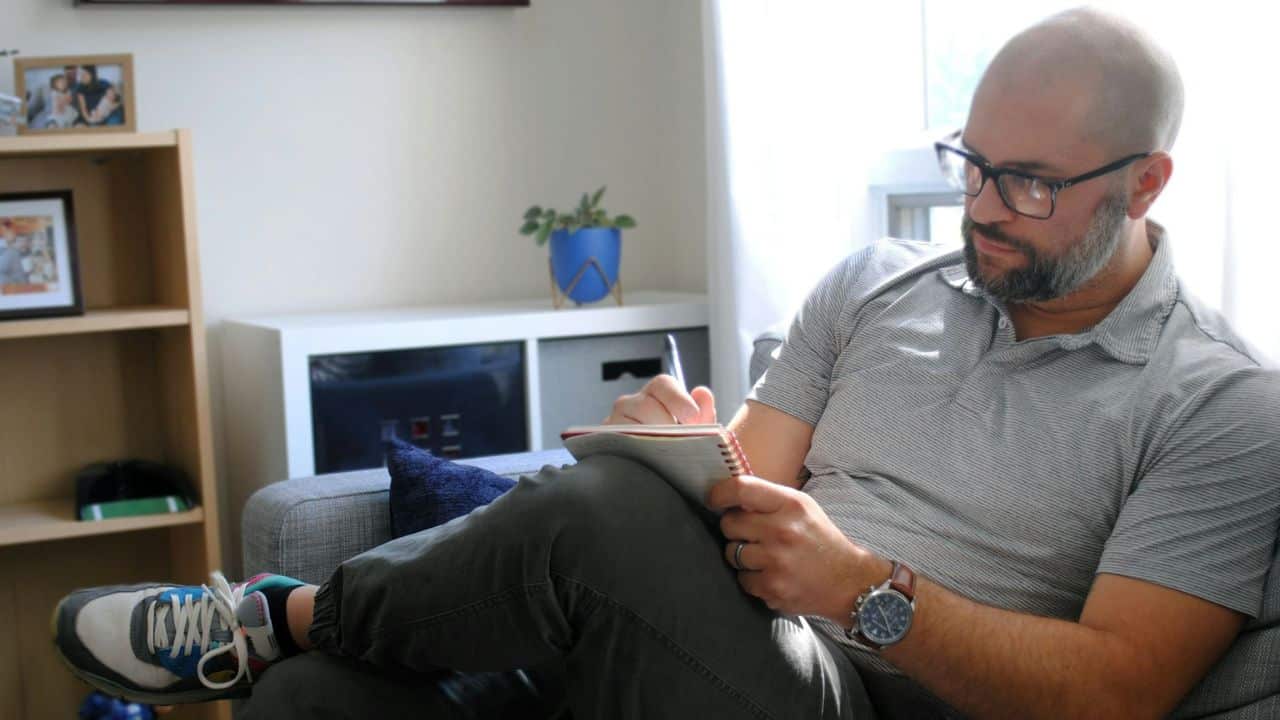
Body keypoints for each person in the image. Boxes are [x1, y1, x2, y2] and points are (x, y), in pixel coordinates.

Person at [51, 7, 1280, 719]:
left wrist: (862, 588)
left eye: (1028, 184)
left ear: (1144, 184)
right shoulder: (875, 284)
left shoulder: (1218, 405)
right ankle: (291, 643)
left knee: (600, 518)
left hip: (871, 700)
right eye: (970, 163)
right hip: (714, 647)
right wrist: (684, 451)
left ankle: (277, 613)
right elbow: (749, 481)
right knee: (316, 702)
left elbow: (1116, 692)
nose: (981, 208)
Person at [0, 220, 28, 287]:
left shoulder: (13, 249)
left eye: (15, 232)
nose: (15, 234)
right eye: (12, 231)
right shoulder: (9, 250)